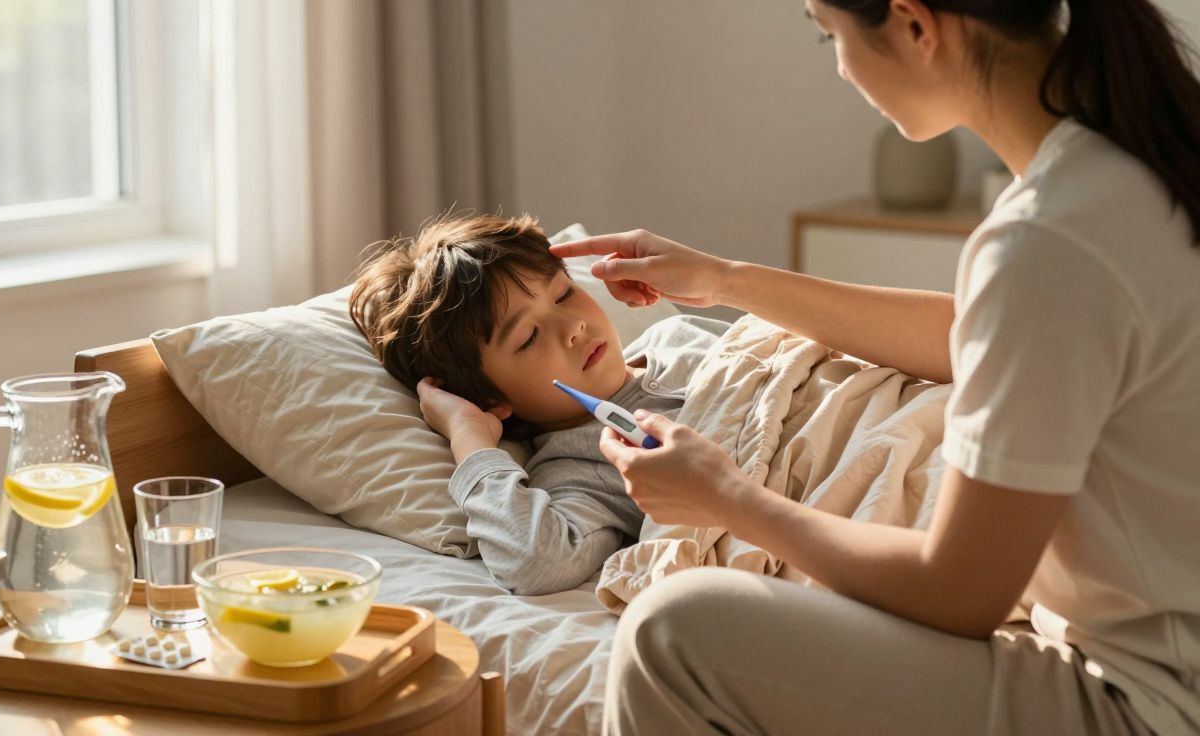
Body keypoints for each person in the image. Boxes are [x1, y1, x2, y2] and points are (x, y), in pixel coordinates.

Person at [549, 0, 1200, 733]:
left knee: (669, 636)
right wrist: (725, 279)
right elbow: (980, 332)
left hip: (1150, 703)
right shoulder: (1138, 157)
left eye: (830, 34)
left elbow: (961, 591)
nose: (838, 65)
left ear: (915, 26)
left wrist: (727, 498)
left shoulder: (1050, 239)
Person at [348, 213, 728, 595]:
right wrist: (469, 439)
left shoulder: (678, 335)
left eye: (564, 293)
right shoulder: (582, 466)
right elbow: (533, 562)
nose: (572, 326)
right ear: (490, 399)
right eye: (529, 337)